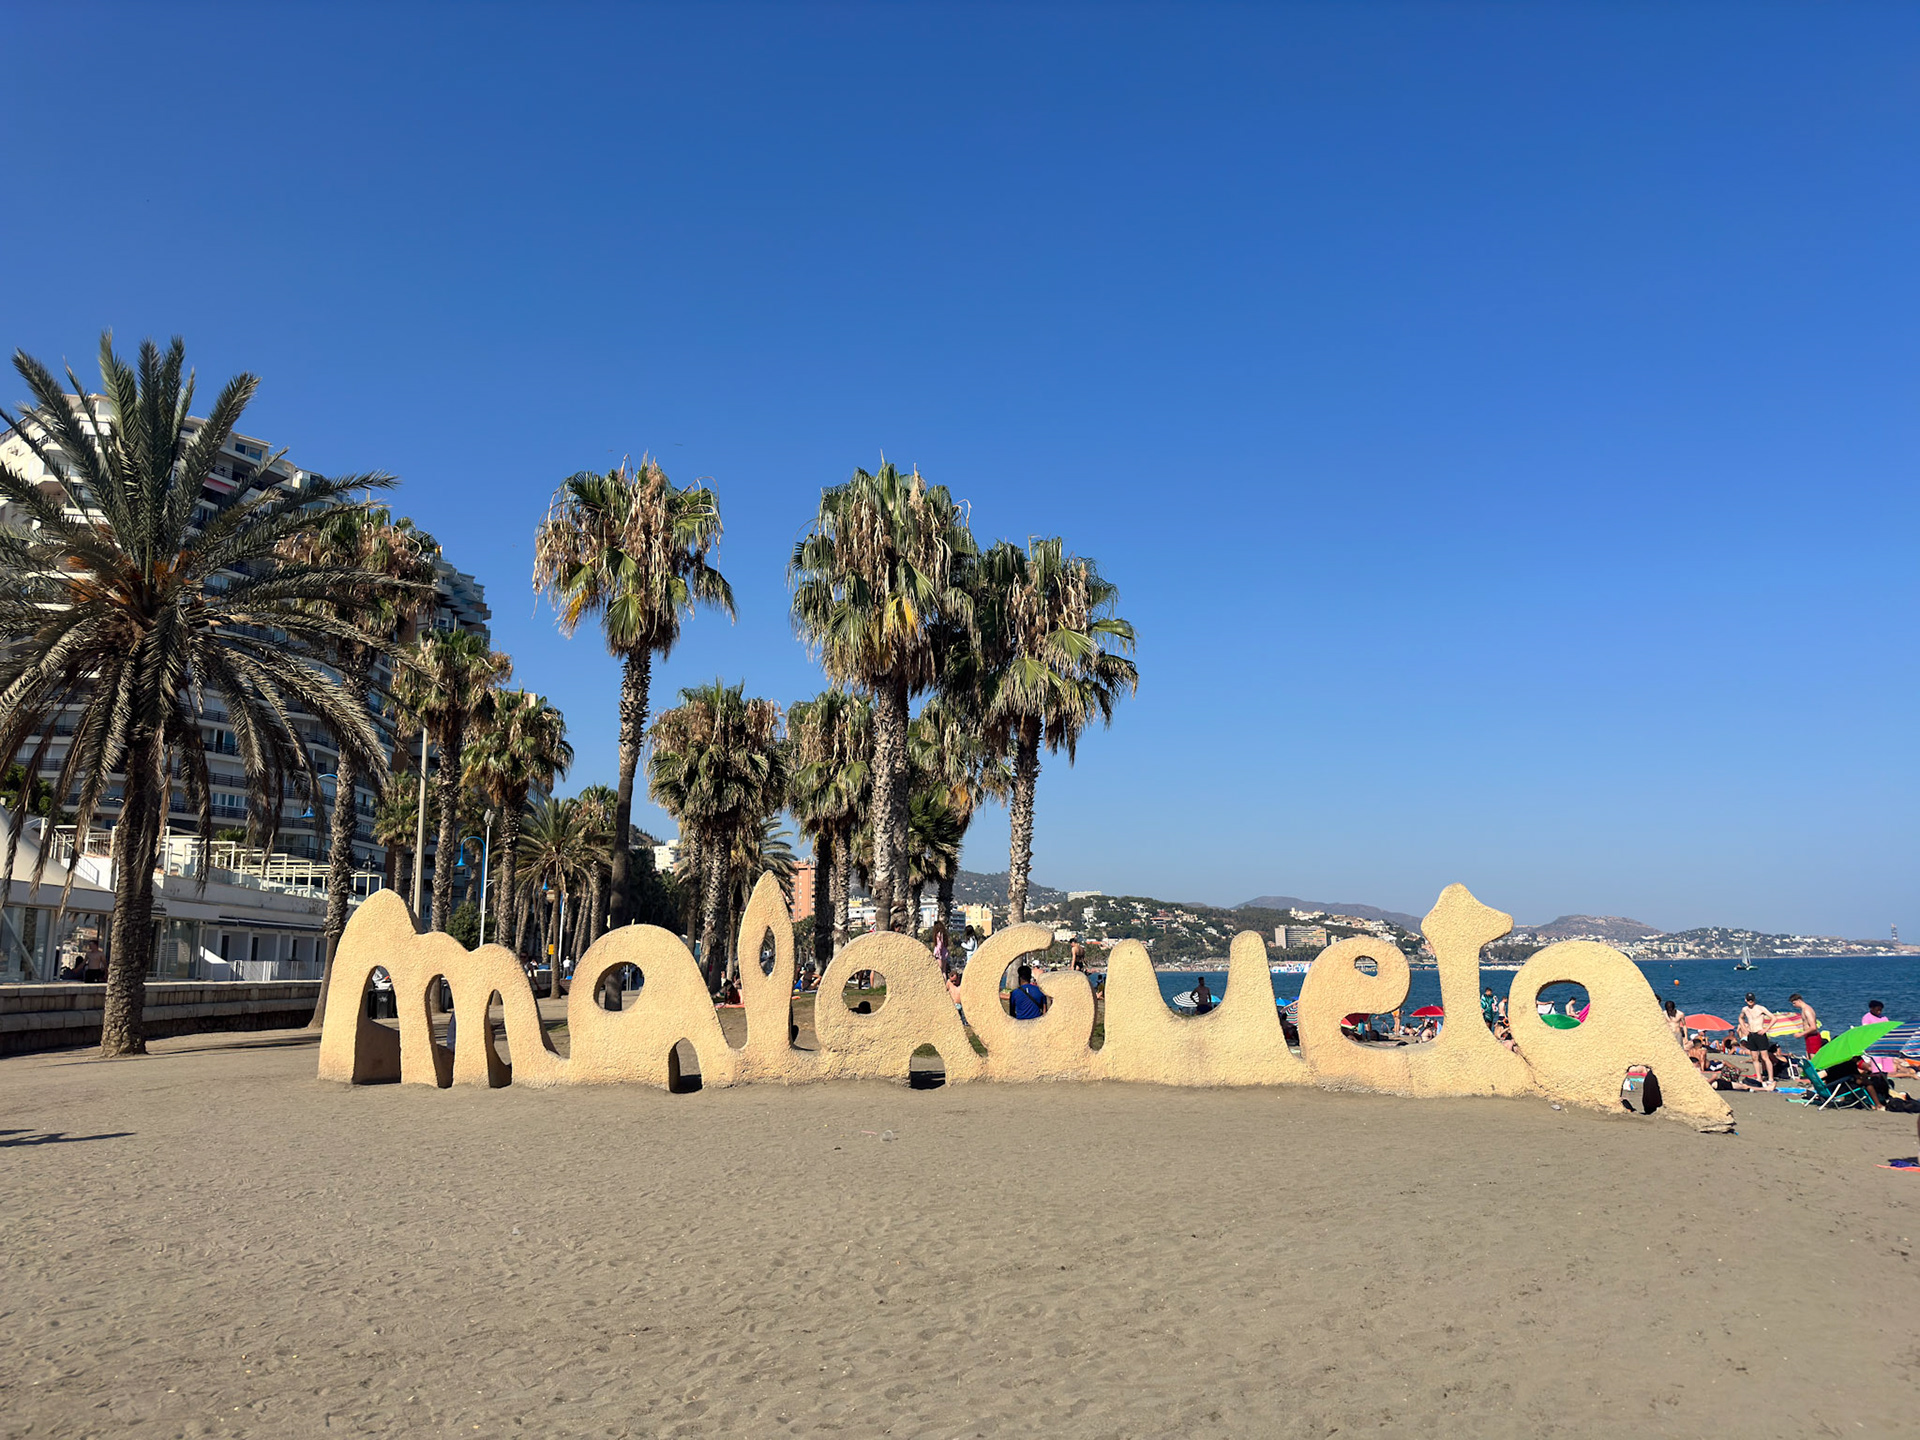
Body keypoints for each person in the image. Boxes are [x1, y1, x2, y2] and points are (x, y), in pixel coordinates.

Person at [1737, 993, 1778, 1089]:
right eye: (1749, 1000)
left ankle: (1770, 1078)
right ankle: (1759, 1077)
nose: (1750, 1002)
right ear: (1746, 1000)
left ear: (1754, 1000)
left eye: (1752, 1000)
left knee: (1764, 1057)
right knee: (1754, 1057)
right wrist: (1744, 1028)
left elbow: (1774, 1018)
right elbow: (1740, 1018)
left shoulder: (1760, 1008)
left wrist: (1766, 1029)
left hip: (1760, 1034)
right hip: (1751, 1034)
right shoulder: (1745, 1009)